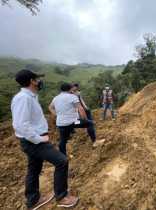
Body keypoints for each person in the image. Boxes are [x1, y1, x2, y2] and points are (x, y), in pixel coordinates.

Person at [11, 69, 79, 210]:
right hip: (33, 141)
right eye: (37, 79)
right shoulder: (23, 98)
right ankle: (62, 197)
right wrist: (39, 139)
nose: (39, 81)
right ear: (32, 81)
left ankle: (33, 200)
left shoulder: (30, 97)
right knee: (62, 161)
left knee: (34, 168)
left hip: (32, 140)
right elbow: (20, 125)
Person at [49, 83, 97, 155]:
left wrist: (57, 115)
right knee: (90, 123)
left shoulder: (55, 98)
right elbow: (81, 109)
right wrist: (85, 119)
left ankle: (63, 156)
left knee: (63, 140)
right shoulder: (72, 97)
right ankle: (95, 142)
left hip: (61, 124)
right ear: (70, 89)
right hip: (74, 122)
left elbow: (50, 107)